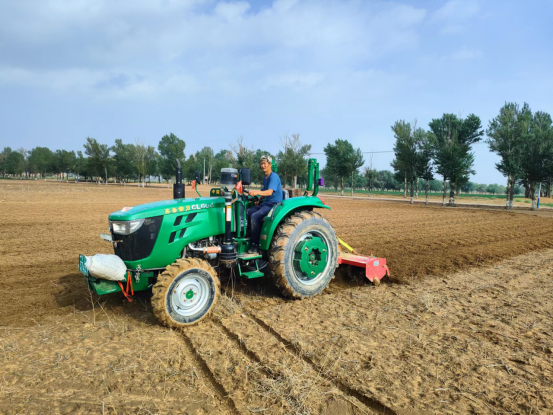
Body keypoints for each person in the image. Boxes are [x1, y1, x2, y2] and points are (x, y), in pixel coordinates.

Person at [246, 155, 283, 254]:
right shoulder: (265, 178)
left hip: (274, 204)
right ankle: (249, 236)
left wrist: (257, 193)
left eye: (264, 164)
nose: (262, 166)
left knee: (255, 216)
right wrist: (259, 198)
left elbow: (269, 192)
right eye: (261, 164)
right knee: (247, 212)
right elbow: (265, 191)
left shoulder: (274, 177)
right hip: (266, 203)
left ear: (270, 164)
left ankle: (256, 245)